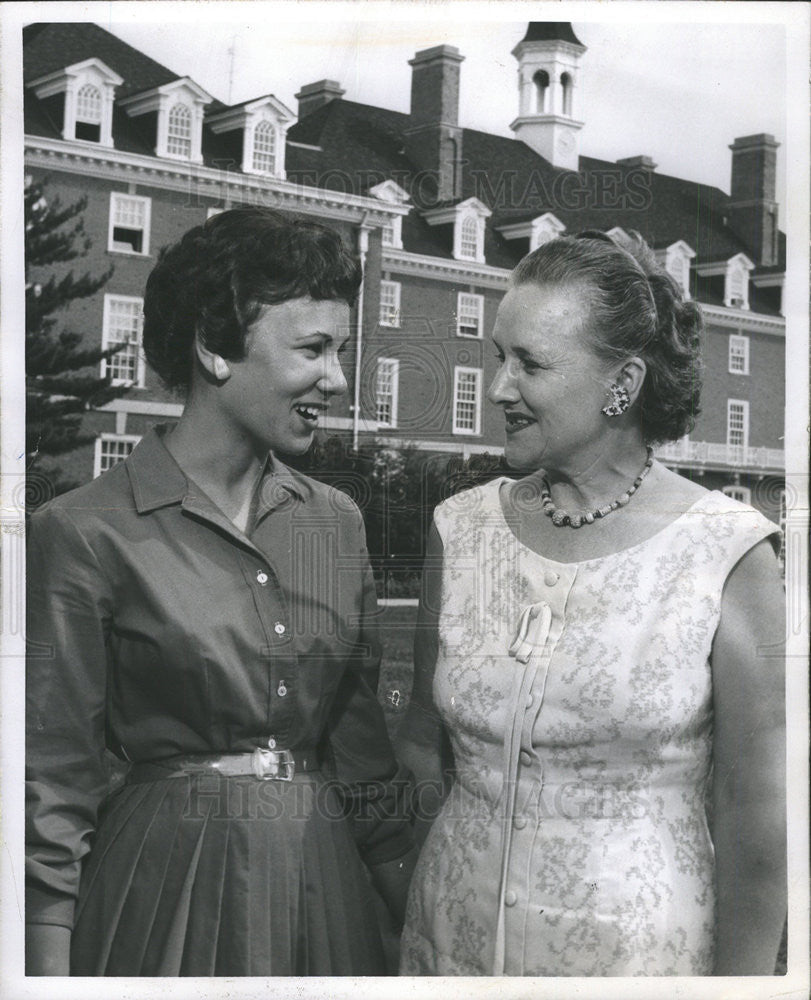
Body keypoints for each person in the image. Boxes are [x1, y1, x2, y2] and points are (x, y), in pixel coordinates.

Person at [25, 206, 416, 976]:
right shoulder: (80, 531)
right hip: (160, 894)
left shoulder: (334, 523)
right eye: (312, 349)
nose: (335, 379)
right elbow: (52, 792)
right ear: (213, 347)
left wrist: (424, 931)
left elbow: (364, 761)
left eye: (340, 351)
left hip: (322, 893)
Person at [397, 231, 786, 976]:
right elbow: (421, 738)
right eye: (497, 358)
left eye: (531, 364)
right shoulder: (460, 530)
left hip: (638, 962)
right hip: (447, 952)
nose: (498, 388)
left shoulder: (725, 552)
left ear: (622, 383)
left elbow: (752, 817)